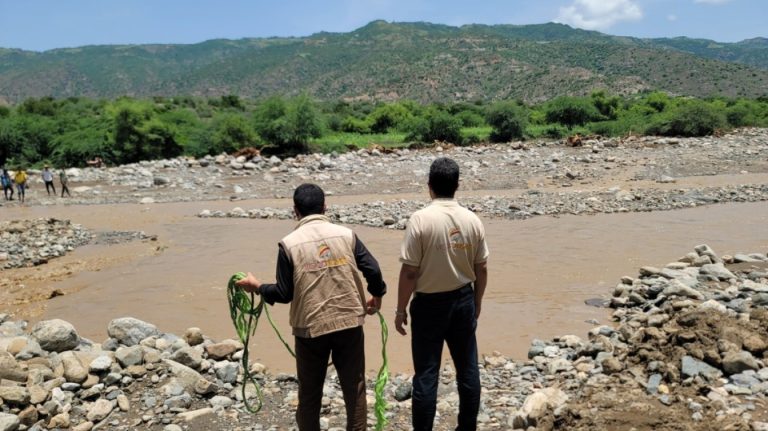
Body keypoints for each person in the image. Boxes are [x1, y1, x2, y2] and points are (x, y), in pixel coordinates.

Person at [235, 183, 386, 431]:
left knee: (309, 392)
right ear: (325, 207)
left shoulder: (289, 244)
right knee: (355, 387)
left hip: (310, 330)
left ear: (295, 211)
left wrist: (258, 287)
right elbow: (373, 269)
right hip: (349, 322)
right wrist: (377, 295)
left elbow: (284, 294)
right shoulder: (346, 235)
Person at [394, 157, 489, 431]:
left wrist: (400, 310)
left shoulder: (420, 220)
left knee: (426, 374)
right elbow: (481, 268)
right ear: (457, 185)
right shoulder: (472, 220)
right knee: (468, 369)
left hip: (428, 305)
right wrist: (477, 302)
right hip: (463, 300)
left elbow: (410, 272)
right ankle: (467, 427)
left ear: (429, 186)